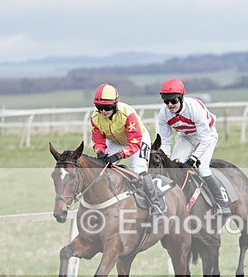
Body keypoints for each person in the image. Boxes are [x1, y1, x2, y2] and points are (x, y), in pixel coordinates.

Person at [156, 78, 231, 215]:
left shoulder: (194, 108)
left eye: (174, 101)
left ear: (181, 98)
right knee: (174, 168)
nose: (170, 105)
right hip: (185, 137)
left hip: (206, 137)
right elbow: (165, 142)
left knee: (202, 169)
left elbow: (205, 139)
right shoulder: (163, 114)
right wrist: (165, 160)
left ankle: (222, 203)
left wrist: (192, 160)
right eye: (166, 102)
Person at [90, 83, 163, 216]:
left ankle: (155, 204)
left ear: (115, 105)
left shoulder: (127, 114)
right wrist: (100, 152)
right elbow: (98, 139)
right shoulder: (95, 117)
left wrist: (118, 156)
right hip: (115, 141)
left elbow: (134, 143)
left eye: (107, 107)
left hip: (137, 139)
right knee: (101, 168)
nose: (103, 111)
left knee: (139, 169)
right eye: (99, 107)